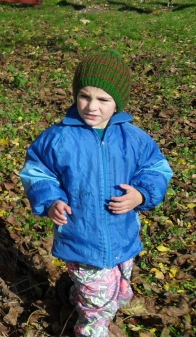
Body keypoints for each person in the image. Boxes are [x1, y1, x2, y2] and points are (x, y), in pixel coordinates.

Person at [19, 51, 172, 337]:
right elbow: (37, 172)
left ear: (118, 103)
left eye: (103, 99)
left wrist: (141, 194)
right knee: (98, 305)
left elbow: (156, 168)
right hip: (82, 237)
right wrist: (51, 200)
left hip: (123, 236)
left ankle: (76, 295)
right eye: (84, 96)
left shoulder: (134, 138)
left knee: (120, 291)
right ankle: (91, 328)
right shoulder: (58, 138)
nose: (92, 106)